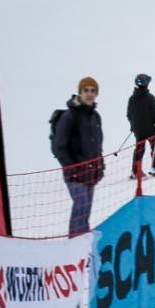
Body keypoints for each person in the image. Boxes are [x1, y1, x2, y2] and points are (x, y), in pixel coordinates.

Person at [53, 76, 105, 236]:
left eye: (93, 90)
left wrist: (100, 166)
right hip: (74, 173)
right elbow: (58, 147)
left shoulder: (95, 117)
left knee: (86, 207)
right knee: (81, 205)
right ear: (80, 92)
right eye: (86, 90)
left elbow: (98, 144)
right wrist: (73, 167)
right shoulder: (70, 116)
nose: (89, 94)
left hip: (91, 172)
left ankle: (82, 241)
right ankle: (75, 243)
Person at [127, 73, 155, 179]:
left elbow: (129, 114)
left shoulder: (132, 99)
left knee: (139, 149)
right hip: (149, 129)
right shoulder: (150, 98)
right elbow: (154, 114)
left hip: (138, 130)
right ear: (147, 84)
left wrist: (133, 126)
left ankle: (135, 171)